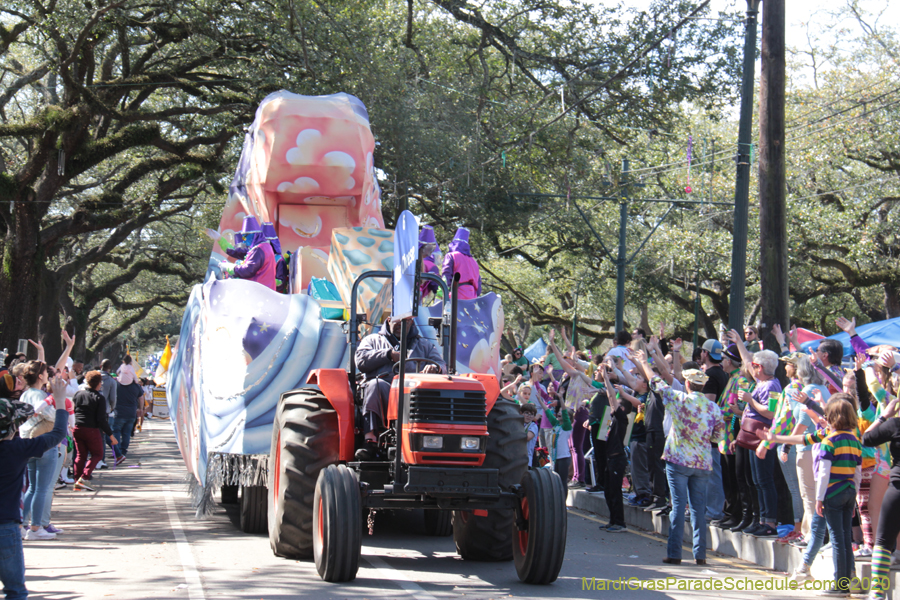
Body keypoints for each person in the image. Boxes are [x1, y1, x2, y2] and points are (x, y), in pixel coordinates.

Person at [0, 380, 69, 597]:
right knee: (15, 590)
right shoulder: (16, 449)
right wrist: (59, 401)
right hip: (5, 526)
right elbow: (58, 433)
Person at [650, 368, 725, 565]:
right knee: (698, 508)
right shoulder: (713, 408)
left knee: (678, 505)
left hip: (678, 460)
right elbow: (718, 436)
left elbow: (658, 383)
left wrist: (642, 362)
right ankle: (700, 555)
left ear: (688, 384)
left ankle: (674, 553)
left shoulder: (679, 400)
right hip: (701, 462)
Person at [355, 317, 445, 460]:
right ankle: (370, 440)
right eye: (397, 322)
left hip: (415, 393)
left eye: (406, 321)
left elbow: (442, 365)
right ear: (389, 319)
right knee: (374, 384)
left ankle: (431, 439)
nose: (401, 326)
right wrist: (388, 355)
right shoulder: (372, 340)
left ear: (412, 322)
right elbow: (361, 360)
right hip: (385, 390)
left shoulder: (424, 345)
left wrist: (436, 368)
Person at [600, 365, 640, 532]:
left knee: (616, 493)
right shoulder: (614, 420)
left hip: (617, 459)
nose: (612, 408)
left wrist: (606, 379)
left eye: (616, 406)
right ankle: (612, 520)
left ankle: (620, 523)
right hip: (610, 459)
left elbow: (611, 398)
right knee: (608, 492)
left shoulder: (622, 418)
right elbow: (611, 400)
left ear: (622, 409)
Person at [73, 371, 118, 491]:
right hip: (91, 429)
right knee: (98, 454)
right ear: (98, 383)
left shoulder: (78, 394)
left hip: (77, 427)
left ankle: (77, 480)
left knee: (80, 455)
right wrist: (110, 435)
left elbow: (74, 410)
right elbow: (101, 419)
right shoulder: (99, 398)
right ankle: (84, 477)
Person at [700, 338, 729, 523]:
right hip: (721, 428)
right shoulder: (723, 374)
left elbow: (707, 404)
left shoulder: (710, 375)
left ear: (705, 353)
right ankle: (713, 508)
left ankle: (714, 510)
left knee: (712, 472)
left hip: (710, 431)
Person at [218, 215, 277, 291]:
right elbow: (238, 252)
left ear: (254, 235)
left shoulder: (258, 249)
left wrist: (229, 267)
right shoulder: (264, 247)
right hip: (265, 290)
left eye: (244, 237)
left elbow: (247, 270)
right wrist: (219, 239)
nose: (244, 241)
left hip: (259, 292)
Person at [441, 227, 481, 300]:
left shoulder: (451, 256)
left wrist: (442, 294)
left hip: (456, 295)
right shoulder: (474, 262)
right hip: (472, 298)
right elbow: (479, 288)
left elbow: (446, 276)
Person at [110, 378, 144, 464]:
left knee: (116, 431)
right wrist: (140, 408)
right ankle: (123, 451)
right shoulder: (136, 386)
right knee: (127, 433)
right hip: (131, 412)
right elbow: (141, 398)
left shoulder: (117, 384)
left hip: (119, 412)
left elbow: (112, 397)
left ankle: (118, 451)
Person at [520, 403, 539, 468]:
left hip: (526, 459)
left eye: (532, 414)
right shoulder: (518, 424)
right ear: (521, 413)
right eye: (526, 413)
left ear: (534, 416)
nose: (529, 416)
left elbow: (527, 437)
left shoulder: (533, 426)